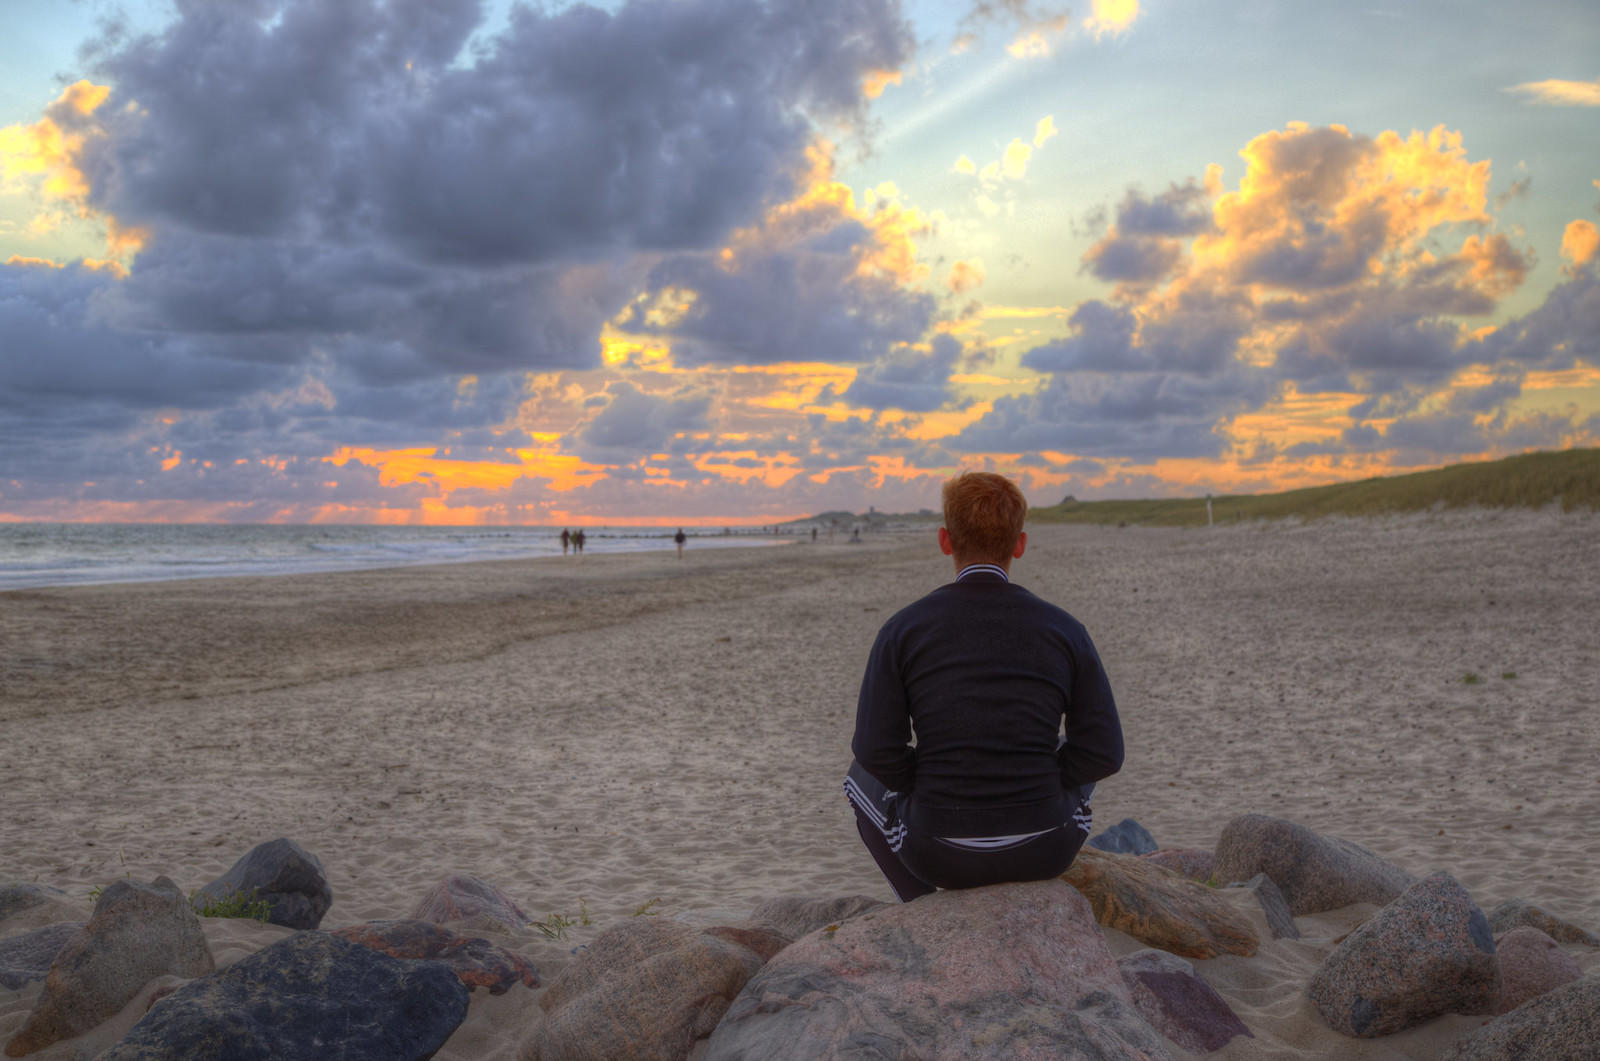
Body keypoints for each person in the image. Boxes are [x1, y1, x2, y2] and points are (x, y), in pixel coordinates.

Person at [844, 471, 1124, 901]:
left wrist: (922, 782)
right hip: (1045, 845)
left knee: (857, 777)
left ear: (945, 541)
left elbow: (874, 751)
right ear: (1019, 545)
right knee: (1072, 747)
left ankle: (922, 905)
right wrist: (1048, 775)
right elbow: (1105, 753)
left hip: (938, 852)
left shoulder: (903, 630)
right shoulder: (1065, 630)